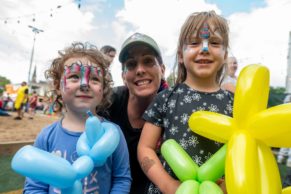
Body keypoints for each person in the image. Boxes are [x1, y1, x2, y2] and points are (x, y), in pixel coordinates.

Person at [137, 11, 234, 194]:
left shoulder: (234, 104)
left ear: (225, 55)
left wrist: (229, 185)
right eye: (194, 43)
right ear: (181, 55)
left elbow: (242, 152)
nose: (204, 49)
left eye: (214, 43)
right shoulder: (165, 98)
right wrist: (167, 185)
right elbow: (145, 148)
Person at [23, 42, 131, 193]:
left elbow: (121, 179)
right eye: (74, 77)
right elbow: (35, 187)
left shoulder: (114, 134)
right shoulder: (46, 137)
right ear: (57, 85)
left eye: (94, 79)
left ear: (104, 89)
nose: (85, 84)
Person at [100, 32, 168, 194]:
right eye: (131, 64)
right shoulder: (107, 103)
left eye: (148, 61)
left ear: (162, 70)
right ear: (123, 76)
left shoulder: (174, 110)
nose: (140, 70)